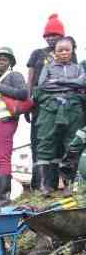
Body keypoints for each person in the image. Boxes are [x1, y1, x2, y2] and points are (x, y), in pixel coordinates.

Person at [35, 37, 86, 195]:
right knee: (46, 142)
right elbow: (43, 85)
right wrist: (71, 83)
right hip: (50, 109)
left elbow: (82, 83)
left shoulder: (78, 68)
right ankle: (45, 185)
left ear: (72, 51)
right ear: (55, 52)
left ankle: (68, 185)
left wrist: (57, 81)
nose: (64, 53)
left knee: (72, 144)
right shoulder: (47, 67)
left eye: (67, 50)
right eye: (60, 50)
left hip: (73, 109)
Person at [27, 14, 71, 191]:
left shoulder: (68, 52)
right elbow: (30, 80)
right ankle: (38, 184)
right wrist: (28, 103)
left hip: (61, 105)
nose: (51, 38)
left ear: (62, 36)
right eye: (48, 35)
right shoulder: (37, 54)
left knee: (59, 142)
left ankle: (56, 183)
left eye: (55, 35)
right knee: (38, 141)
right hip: (40, 105)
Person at [0, 47, 28, 205]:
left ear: (10, 62)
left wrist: (0, 87)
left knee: (3, 158)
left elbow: (23, 93)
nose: (1, 61)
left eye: (5, 58)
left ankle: (3, 198)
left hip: (5, 121)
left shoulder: (14, 75)